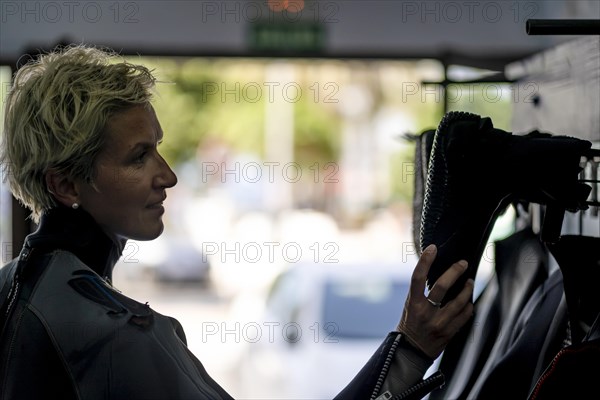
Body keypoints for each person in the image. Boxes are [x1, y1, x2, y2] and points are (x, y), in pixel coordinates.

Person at [0, 45, 474, 400]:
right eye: (139, 156)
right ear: (65, 185)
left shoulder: (12, 291)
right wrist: (410, 349)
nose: (166, 175)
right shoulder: (116, 334)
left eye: (158, 147)